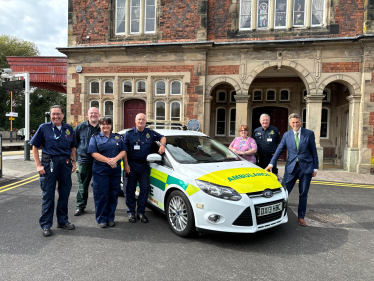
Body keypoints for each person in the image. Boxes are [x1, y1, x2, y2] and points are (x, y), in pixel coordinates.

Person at [30, 105, 77, 237]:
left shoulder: (68, 128)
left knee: (64, 194)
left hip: (65, 164)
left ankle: (62, 221)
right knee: (48, 195)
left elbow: (73, 146)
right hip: (48, 164)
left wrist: (74, 161)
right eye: (53, 114)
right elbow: (34, 147)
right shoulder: (44, 128)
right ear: (50, 115)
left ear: (63, 115)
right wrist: (38, 165)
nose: (55, 116)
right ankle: (46, 224)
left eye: (58, 114)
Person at [265, 113, 318, 227]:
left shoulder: (309, 133)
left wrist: (315, 167)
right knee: (283, 192)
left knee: (303, 194)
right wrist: (271, 163)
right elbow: (279, 149)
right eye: (293, 122)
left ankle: (301, 216)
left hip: (306, 167)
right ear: (290, 123)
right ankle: (279, 214)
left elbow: (314, 151)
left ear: (300, 122)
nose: (295, 124)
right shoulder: (287, 135)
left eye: (297, 122)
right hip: (291, 168)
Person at [123, 113, 166, 223]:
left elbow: (163, 137)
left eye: (143, 119)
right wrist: (126, 165)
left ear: (145, 121)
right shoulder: (128, 134)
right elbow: (124, 151)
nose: (141, 121)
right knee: (130, 190)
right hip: (131, 165)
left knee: (145, 189)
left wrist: (162, 145)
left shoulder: (150, 133)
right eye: (139, 119)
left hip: (143, 166)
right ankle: (131, 212)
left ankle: (141, 212)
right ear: (135, 121)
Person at [87, 117, 127, 228]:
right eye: (103, 124)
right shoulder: (95, 138)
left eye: (108, 124)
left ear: (111, 125)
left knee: (113, 194)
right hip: (101, 171)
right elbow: (93, 153)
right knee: (101, 195)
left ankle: (110, 217)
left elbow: (123, 150)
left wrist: (115, 160)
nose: (106, 126)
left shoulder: (117, 137)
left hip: (115, 170)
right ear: (100, 125)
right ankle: (102, 219)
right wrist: (109, 161)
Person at [73, 107, 101, 216]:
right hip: (84, 161)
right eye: (91, 113)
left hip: (100, 162)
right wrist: (74, 160)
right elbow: (74, 144)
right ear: (87, 115)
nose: (93, 115)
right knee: (82, 185)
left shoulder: (103, 127)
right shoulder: (80, 127)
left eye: (95, 113)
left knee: (99, 186)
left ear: (99, 115)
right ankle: (80, 206)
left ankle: (99, 207)